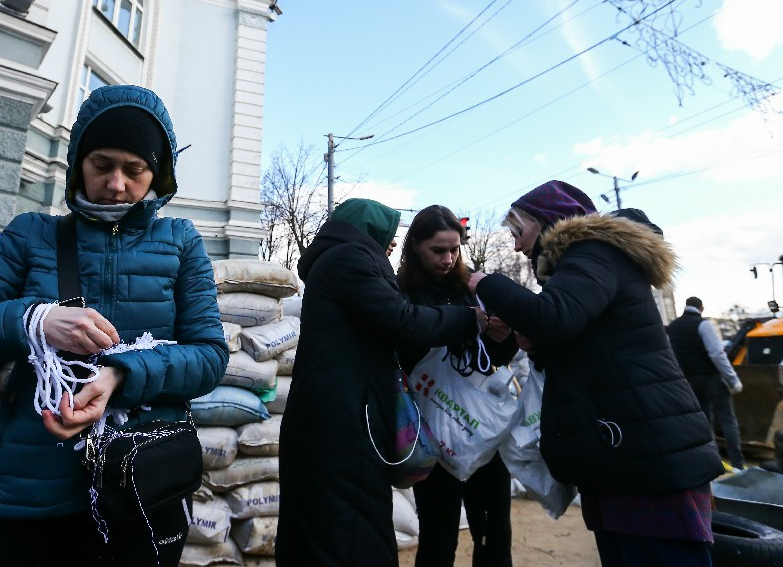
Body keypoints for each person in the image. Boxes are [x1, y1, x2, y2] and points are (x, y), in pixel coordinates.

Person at [0, 85, 227, 566]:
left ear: (158, 174)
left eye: (135, 170)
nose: (116, 184)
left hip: (136, 489)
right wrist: (32, 321)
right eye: (101, 165)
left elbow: (208, 357)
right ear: (77, 163)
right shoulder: (31, 235)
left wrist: (122, 374)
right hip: (19, 492)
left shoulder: (180, 241)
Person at [467, 181, 723, 567]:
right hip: (624, 449)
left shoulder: (594, 253)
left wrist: (483, 281)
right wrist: (539, 349)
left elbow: (553, 318)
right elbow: (589, 344)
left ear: (547, 222)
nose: (518, 246)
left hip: (644, 451)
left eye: (519, 233)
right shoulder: (589, 263)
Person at [276, 198, 487, 567]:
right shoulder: (349, 260)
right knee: (351, 532)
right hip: (344, 422)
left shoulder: (339, 259)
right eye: (387, 233)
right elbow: (401, 320)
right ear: (368, 230)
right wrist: (470, 320)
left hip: (333, 419)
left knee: (328, 528)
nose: (391, 242)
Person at [395, 205, 518, 567]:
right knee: (438, 533)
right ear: (415, 245)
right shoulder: (400, 294)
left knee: (495, 528)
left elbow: (494, 357)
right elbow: (407, 340)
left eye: (454, 249)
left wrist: (503, 334)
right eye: (438, 250)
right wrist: (464, 322)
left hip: (482, 428)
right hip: (434, 433)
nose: (448, 259)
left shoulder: (473, 289)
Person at [667, 296, 746, 471]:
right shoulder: (703, 324)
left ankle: (714, 463)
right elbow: (717, 355)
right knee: (728, 419)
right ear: (701, 308)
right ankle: (738, 464)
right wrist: (733, 380)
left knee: (704, 422)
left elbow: (671, 355)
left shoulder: (673, 327)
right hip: (710, 378)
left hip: (688, 380)